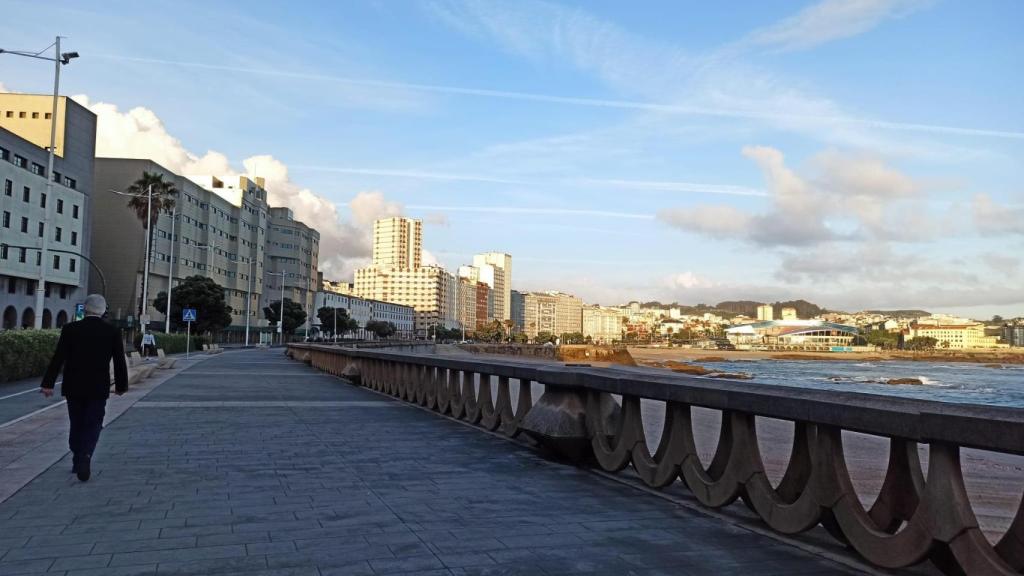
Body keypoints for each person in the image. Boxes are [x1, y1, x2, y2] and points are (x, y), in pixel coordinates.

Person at [40, 294, 128, 482]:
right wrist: (121, 386)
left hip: (74, 385)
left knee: (77, 421)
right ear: (103, 310)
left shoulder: (70, 329)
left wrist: (48, 383)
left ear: (85, 308)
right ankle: (85, 455)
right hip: (98, 386)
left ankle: (77, 454)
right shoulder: (112, 331)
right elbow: (119, 360)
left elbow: (58, 357)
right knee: (94, 422)